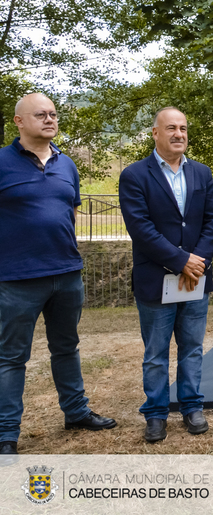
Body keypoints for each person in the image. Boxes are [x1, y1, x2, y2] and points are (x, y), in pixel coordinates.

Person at [0, 93, 117, 456]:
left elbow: (71, 213)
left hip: (67, 274)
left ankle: (76, 413)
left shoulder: (67, 165)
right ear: (19, 121)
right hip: (16, 279)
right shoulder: (2, 162)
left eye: (53, 114)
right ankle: (6, 433)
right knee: (10, 358)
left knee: (66, 348)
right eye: (40, 115)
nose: (49, 119)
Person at [119, 107, 213, 443]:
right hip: (156, 279)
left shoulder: (202, 174)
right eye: (171, 128)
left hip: (196, 278)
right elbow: (141, 229)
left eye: (184, 128)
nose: (179, 134)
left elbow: (212, 221)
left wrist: (199, 263)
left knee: (192, 348)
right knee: (156, 353)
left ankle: (192, 406)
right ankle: (156, 414)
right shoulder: (135, 175)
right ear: (155, 133)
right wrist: (181, 261)